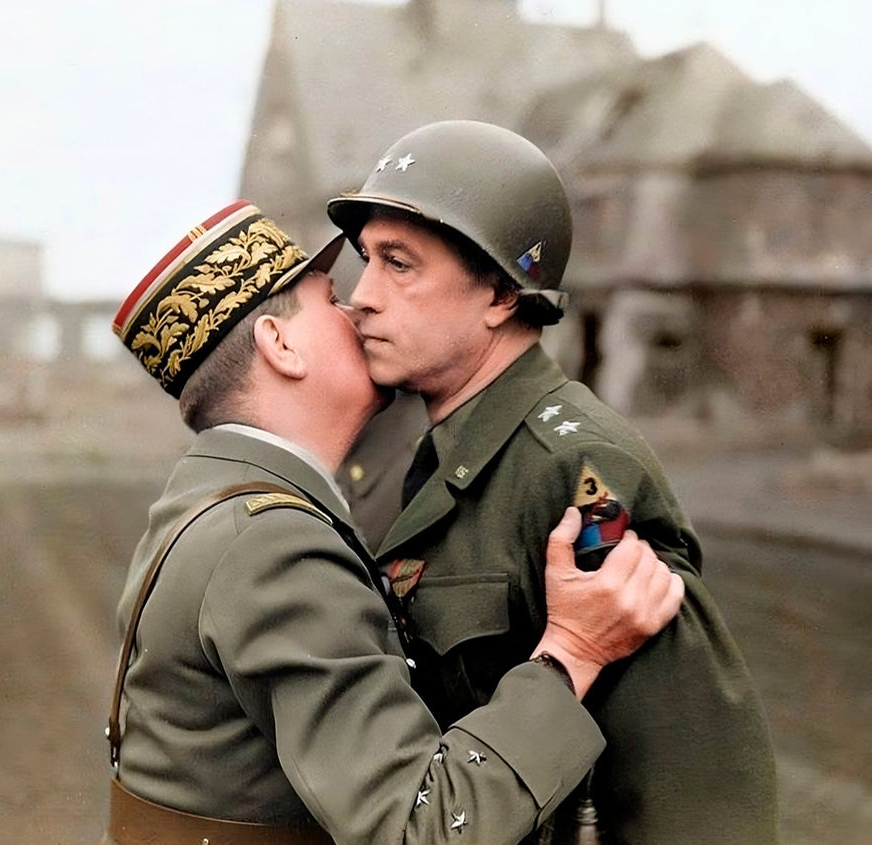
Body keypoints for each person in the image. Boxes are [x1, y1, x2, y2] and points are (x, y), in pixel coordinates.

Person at [105, 200, 686, 845]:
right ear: (280, 345)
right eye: (330, 300)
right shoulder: (272, 544)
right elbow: (418, 829)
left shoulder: (211, 503)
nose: (358, 306)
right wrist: (570, 653)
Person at [326, 120, 779, 844]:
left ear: (501, 293)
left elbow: (694, 789)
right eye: (366, 260)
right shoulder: (452, 450)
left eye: (399, 265)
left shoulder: (580, 474)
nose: (363, 296)